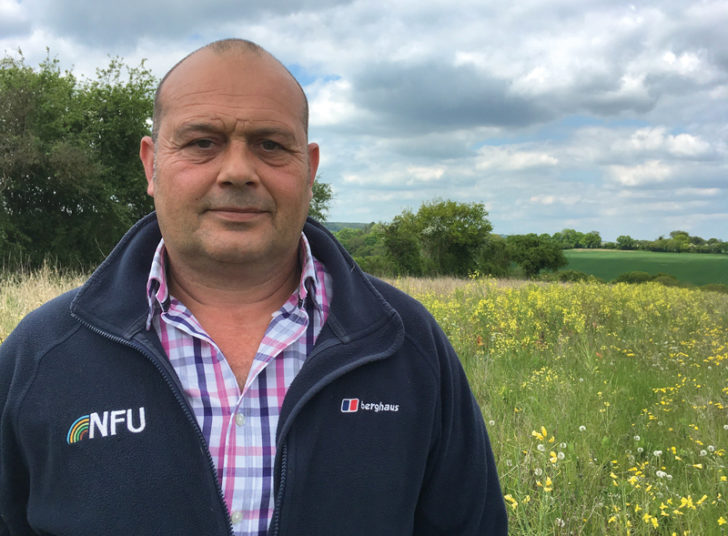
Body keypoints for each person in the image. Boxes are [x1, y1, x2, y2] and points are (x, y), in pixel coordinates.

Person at [0, 39, 507, 535]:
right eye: (202, 142)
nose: (238, 171)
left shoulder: (408, 344)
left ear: (308, 168)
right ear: (151, 164)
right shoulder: (40, 355)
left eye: (270, 145)